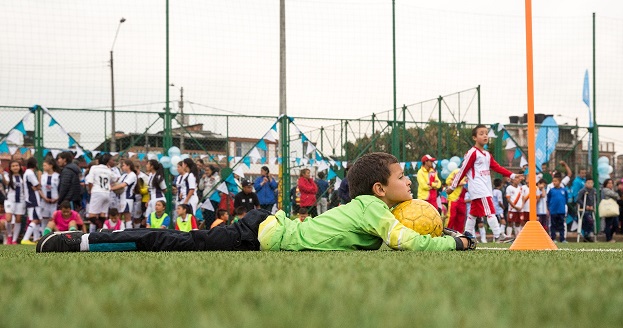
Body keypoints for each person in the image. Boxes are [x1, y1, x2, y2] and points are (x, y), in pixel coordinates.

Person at [36, 152, 475, 253]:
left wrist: (446, 231)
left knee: (177, 240)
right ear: (380, 190)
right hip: (261, 232)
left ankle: (88, 240)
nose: (408, 183)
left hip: (267, 225)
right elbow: (405, 241)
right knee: (174, 242)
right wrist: (451, 246)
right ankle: (82, 242)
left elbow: (405, 233)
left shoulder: (377, 210)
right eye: (401, 178)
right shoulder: (375, 210)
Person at [447, 124, 521, 242]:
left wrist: (512, 175)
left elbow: (497, 167)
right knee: (490, 210)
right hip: (478, 187)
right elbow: (463, 170)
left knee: (473, 213)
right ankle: (498, 235)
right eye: (481, 134)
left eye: (486, 133)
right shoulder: (472, 153)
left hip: (485, 188)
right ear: (474, 138)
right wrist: (453, 186)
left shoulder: (487, 154)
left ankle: (467, 234)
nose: (485, 136)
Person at [85, 154, 117, 232]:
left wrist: (90, 190)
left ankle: (99, 227)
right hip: (106, 193)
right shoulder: (108, 169)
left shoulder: (94, 168)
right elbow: (115, 179)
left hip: (97, 191)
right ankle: (100, 231)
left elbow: (90, 181)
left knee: (91, 216)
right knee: (102, 215)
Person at [3, 160, 25, 245]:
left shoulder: (23, 177)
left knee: (18, 220)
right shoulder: (7, 176)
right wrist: (2, 174)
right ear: (10, 168)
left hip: (21, 201)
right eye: (13, 166)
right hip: (10, 200)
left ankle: (14, 240)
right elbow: (6, 182)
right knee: (8, 219)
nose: (15, 167)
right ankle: (9, 235)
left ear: (20, 167)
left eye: (17, 165)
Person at [111, 159, 138, 229]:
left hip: (127, 198)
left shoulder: (132, 175)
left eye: (123, 165)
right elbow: (117, 183)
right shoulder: (124, 175)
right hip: (120, 198)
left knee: (127, 216)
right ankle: (119, 231)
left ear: (128, 166)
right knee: (119, 216)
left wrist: (111, 188)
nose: (122, 167)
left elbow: (123, 185)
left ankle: (129, 232)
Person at [21, 157, 42, 244]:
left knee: (37, 220)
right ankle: (25, 238)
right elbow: (38, 186)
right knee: (35, 220)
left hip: (31, 199)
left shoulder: (27, 173)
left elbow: (35, 187)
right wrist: (40, 176)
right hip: (32, 199)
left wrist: (35, 187)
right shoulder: (30, 173)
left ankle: (36, 239)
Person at [39, 157, 60, 237]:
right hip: (44, 201)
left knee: (53, 219)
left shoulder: (57, 176)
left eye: (45, 165)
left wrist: (57, 198)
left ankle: (52, 236)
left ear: (51, 166)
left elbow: (60, 189)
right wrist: (44, 197)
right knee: (44, 218)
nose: (43, 167)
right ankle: (43, 236)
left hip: (55, 202)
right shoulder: (43, 176)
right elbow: (39, 188)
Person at [547, 175, 568, 243]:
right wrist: (548, 208)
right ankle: (553, 238)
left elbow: (566, 199)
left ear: (559, 182)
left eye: (555, 181)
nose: (554, 182)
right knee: (553, 225)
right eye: (553, 181)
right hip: (553, 211)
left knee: (561, 225)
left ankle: (562, 239)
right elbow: (548, 199)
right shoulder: (551, 190)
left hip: (561, 210)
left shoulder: (564, 190)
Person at [445, 168, 467, 233]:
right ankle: (447, 233)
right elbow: (448, 181)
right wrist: (460, 183)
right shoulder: (457, 171)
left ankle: (459, 234)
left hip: (463, 198)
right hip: (453, 198)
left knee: (461, 218)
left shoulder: (471, 173)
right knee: (452, 217)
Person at [577, 176, 596, 242]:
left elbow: (595, 199)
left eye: (591, 183)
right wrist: (585, 206)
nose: (590, 184)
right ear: (585, 183)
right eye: (588, 183)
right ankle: (587, 234)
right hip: (584, 210)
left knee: (590, 221)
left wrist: (592, 206)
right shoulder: (582, 191)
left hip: (590, 209)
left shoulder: (594, 190)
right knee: (588, 221)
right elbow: (578, 199)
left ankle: (588, 235)